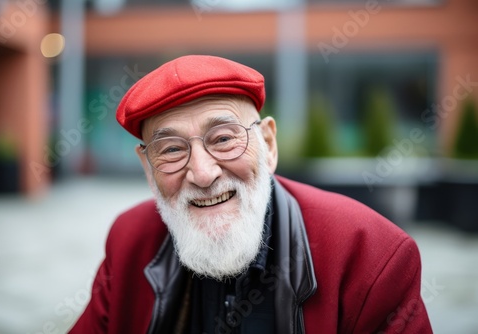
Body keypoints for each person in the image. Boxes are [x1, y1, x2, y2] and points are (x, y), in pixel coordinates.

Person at [69, 55, 432, 334]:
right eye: (172, 150)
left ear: (269, 145)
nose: (202, 173)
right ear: (149, 170)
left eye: (224, 139)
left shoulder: (370, 253)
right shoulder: (129, 240)